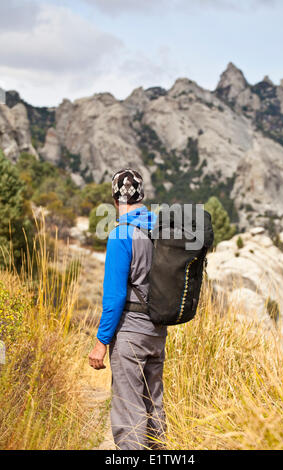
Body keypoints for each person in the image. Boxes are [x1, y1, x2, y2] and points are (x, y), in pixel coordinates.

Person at [88, 168, 167, 450]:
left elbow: (115, 296)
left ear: (114, 198)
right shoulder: (160, 229)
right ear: (142, 195)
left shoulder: (122, 233)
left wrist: (101, 342)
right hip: (157, 331)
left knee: (128, 410)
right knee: (153, 405)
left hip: (130, 332)